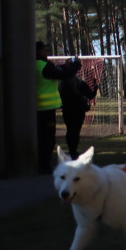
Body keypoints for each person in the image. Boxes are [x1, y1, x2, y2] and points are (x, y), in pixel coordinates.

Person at [36, 42, 80, 173]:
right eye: (45, 49)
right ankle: (44, 165)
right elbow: (64, 75)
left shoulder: (34, 64)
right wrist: (75, 66)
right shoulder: (45, 65)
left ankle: (39, 162)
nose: (47, 52)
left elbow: (54, 72)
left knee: (39, 137)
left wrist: (64, 66)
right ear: (38, 51)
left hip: (35, 108)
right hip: (46, 108)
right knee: (48, 139)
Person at [59, 62, 98, 160]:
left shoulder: (61, 83)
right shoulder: (79, 82)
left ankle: (71, 150)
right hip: (78, 110)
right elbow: (90, 95)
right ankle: (73, 151)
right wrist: (95, 88)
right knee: (75, 131)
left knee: (70, 130)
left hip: (67, 110)